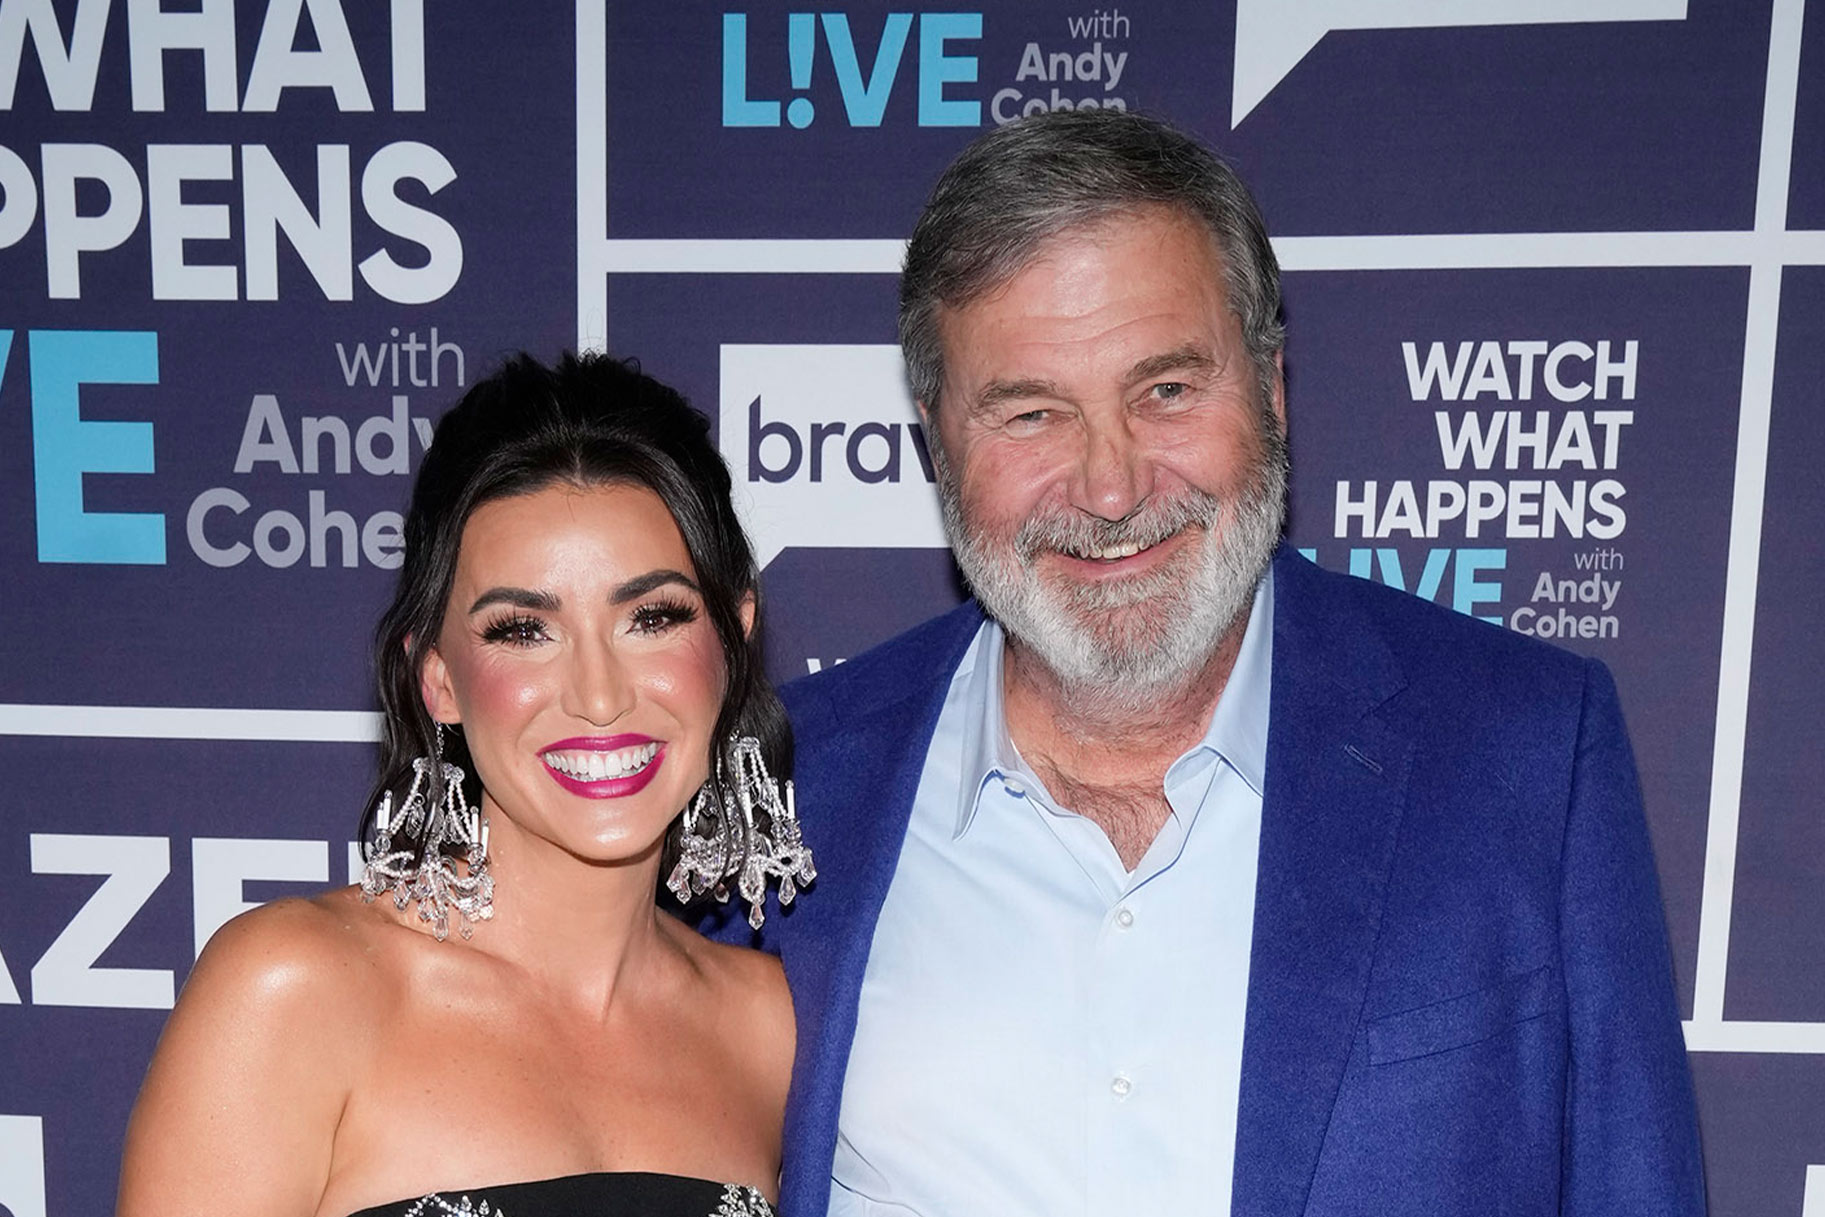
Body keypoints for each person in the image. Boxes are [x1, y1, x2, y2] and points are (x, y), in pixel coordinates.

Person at [713, 110, 1705, 1215]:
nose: (1110, 486)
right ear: (938, 442)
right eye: (1032, 412)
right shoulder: (784, 790)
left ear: (1272, 390)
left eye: (1167, 391)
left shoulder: (1524, 751)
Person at [119, 354, 812, 1217]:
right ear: (437, 677)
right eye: (523, 629)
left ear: (734, 641)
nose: (599, 696)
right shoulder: (296, 990)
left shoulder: (771, 1029)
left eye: (652, 617)